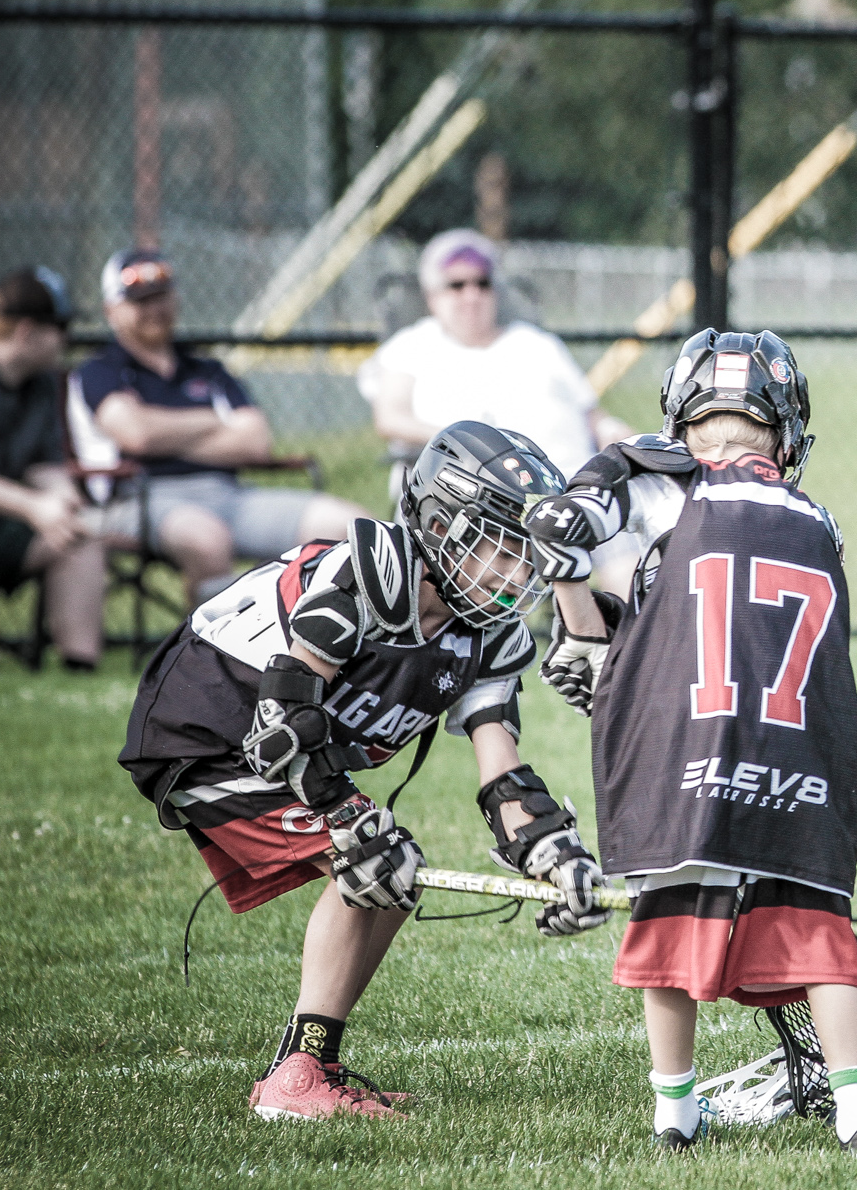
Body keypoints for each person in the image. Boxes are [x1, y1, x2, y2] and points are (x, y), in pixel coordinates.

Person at [118, 421, 610, 1121]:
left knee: (392, 876)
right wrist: (351, 819)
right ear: (439, 526)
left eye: (527, 555)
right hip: (208, 730)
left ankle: (310, 1062)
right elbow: (284, 717)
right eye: (497, 549)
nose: (515, 573)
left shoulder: (488, 634)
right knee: (373, 860)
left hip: (269, 740)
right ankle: (295, 1082)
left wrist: (556, 853)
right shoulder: (368, 576)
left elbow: (502, 771)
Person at [524, 330, 857, 1152]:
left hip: (690, 746)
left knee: (669, 927)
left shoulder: (666, 486)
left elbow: (557, 526)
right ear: (785, 426)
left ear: (683, 417)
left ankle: (675, 1111)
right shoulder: (818, 517)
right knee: (816, 929)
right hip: (795, 749)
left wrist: (586, 632)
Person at [71, 249, 368, 603]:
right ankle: (209, 653)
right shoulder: (99, 371)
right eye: (140, 301)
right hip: (141, 497)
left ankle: (331, 641)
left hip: (229, 495)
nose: (154, 309)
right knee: (207, 539)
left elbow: (255, 441)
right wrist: (214, 423)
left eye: (161, 296)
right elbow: (137, 434)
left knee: (350, 526)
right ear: (112, 310)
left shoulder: (207, 370)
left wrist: (163, 433)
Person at [361, 228, 628, 492]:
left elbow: (589, 411)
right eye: (457, 285)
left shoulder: (536, 342)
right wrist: (467, 444)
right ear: (432, 297)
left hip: (579, 484)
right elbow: (390, 418)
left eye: (483, 283)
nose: (472, 295)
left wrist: (608, 427)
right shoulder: (412, 345)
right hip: (481, 497)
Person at [0, 267, 103, 670]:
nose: (66, 339)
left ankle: (78, 667)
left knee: (79, 526)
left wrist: (64, 502)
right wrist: (30, 505)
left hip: (0, 521)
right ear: (27, 331)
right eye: (59, 327)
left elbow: (44, 464)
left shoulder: (41, 382)